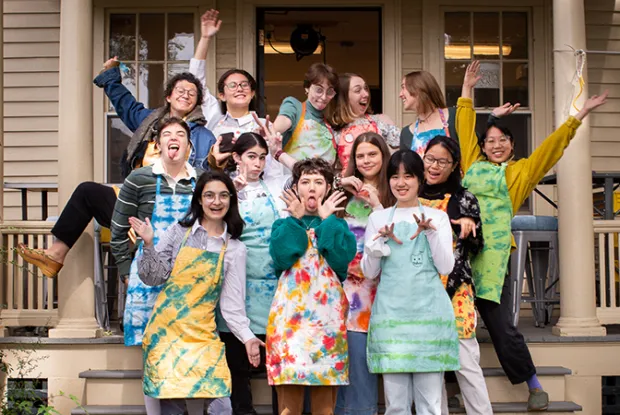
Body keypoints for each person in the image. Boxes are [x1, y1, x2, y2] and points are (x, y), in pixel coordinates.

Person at [458, 60, 609, 411]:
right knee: (454, 323)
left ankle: (534, 384)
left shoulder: (521, 172)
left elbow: (552, 148)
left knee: (500, 327)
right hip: (460, 253)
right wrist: (467, 90)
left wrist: (579, 116)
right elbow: (464, 128)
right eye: (490, 141)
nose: (496, 145)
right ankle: (453, 381)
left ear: (512, 145)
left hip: (494, 258)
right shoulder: (469, 162)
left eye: (502, 141)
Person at [16, 62, 216, 278]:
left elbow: (206, 175)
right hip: (134, 200)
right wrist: (110, 76)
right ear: (168, 96)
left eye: (192, 93)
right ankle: (55, 254)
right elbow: (126, 104)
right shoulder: (148, 122)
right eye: (180, 90)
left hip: (170, 206)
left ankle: (135, 268)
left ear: (197, 102)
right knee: (87, 192)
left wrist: (219, 161)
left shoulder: (203, 136)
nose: (185, 95)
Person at [130, 170, 263, 415]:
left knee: (222, 405)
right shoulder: (179, 233)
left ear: (231, 200)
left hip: (203, 336)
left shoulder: (235, 249)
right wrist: (148, 244)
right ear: (199, 200)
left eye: (224, 195)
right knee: (171, 406)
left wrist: (248, 337)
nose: (217, 201)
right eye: (209, 195)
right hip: (166, 334)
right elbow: (152, 277)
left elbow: (232, 306)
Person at [361, 149, 459, 415]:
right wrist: (377, 243)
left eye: (408, 176)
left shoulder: (436, 217)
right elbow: (369, 272)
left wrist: (430, 234)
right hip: (392, 319)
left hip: (428, 317)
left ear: (420, 179)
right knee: (395, 406)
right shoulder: (377, 219)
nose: (401, 183)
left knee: (430, 405)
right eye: (394, 176)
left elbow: (446, 266)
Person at [266, 158, 356, 414]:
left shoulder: (338, 225)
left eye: (319, 182)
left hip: (327, 327)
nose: (312, 187)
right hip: (289, 327)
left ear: (328, 189)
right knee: (288, 409)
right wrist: (295, 220)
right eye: (305, 182)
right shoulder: (283, 225)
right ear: (295, 188)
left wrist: (328, 221)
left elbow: (339, 262)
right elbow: (283, 256)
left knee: (325, 409)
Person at [418, 136, 492, 415]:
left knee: (466, 360)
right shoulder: (411, 195)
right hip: (420, 290)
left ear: (454, 166)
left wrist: (469, 227)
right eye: (430, 159)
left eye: (443, 161)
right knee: (431, 366)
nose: (434, 166)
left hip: (455, 288)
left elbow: (477, 245)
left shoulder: (465, 198)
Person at [215, 132, 287, 415]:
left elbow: (309, 172)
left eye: (262, 157)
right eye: (251, 156)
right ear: (236, 158)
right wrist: (230, 193)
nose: (257, 164)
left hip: (274, 288)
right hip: (237, 287)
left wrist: (280, 153)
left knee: (277, 372)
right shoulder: (225, 189)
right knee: (238, 371)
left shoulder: (277, 186)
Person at [334, 132, 394, 415]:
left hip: (385, 289)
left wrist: (377, 206)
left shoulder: (395, 190)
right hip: (348, 291)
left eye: (372, 154)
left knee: (368, 369)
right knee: (349, 363)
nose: (366, 160)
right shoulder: (345, 193)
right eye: (360, 155)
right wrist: (339, 182)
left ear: (384, 156)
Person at [189, 10, 268, 172]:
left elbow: (273, 168)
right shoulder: (213, 116)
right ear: (221, 95)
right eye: (232, 85)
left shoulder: (264, 125)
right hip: (218, 189)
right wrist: (205, 38)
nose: (239, 88)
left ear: (252, 93)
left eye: (244, 85)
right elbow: (195, 79)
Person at [398, 70, 517, 156]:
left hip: (458, 189)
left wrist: (493, 117)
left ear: (418, 88)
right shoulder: (406, 133)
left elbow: (475, 144)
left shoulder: (453, 115)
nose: (400, 94)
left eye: (403, 87)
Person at [270, 63, 339, 170]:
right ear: (307, 88)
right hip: (293, 182)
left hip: (324, 184)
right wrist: (273, 130)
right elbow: (279, 126)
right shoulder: (294, 106)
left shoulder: (331, 124)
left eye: (329, 92)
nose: (324, 97)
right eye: (319, 90)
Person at [327, 73, 400, 170]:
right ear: (343, 97)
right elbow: (328, 169)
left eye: (365, 88)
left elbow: (400, 158)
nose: (366, 94)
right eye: (358, 90)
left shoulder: (382, 121)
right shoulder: (332, 130)